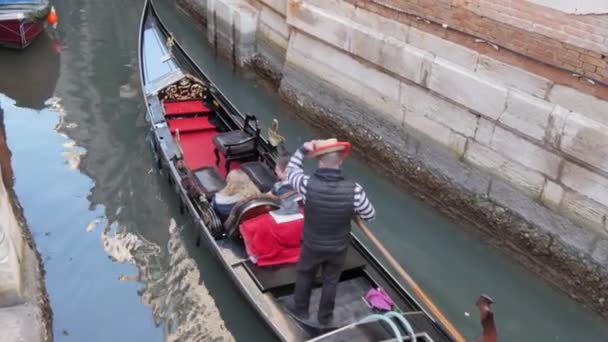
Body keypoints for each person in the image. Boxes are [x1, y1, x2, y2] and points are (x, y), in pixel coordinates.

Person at [286, 138, 375, 326]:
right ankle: (325, 317)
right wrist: (351, 209)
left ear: (320, 161)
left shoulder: (306, 184)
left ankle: (300, 310)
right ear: (340, 161)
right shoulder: (355, 190)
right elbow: (369, 214)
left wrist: (303, 149)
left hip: (312, 244)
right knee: (331, 280)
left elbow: (291, 170)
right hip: (338, 247)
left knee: (305, 274)